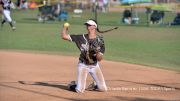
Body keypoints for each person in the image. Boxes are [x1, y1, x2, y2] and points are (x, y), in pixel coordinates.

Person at [61, 19, 107, 93]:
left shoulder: (100, 41)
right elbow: (64, 36)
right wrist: (65, 27)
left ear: (94, 27)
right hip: (83, 65)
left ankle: (94, 85)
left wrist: (97, 53)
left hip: (94, 66)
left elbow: (99, 59)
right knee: (80, 90)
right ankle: (72, 84)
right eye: (87, 25)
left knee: (103, 89)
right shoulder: (81, 37)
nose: (87, 26)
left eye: (89, 25)